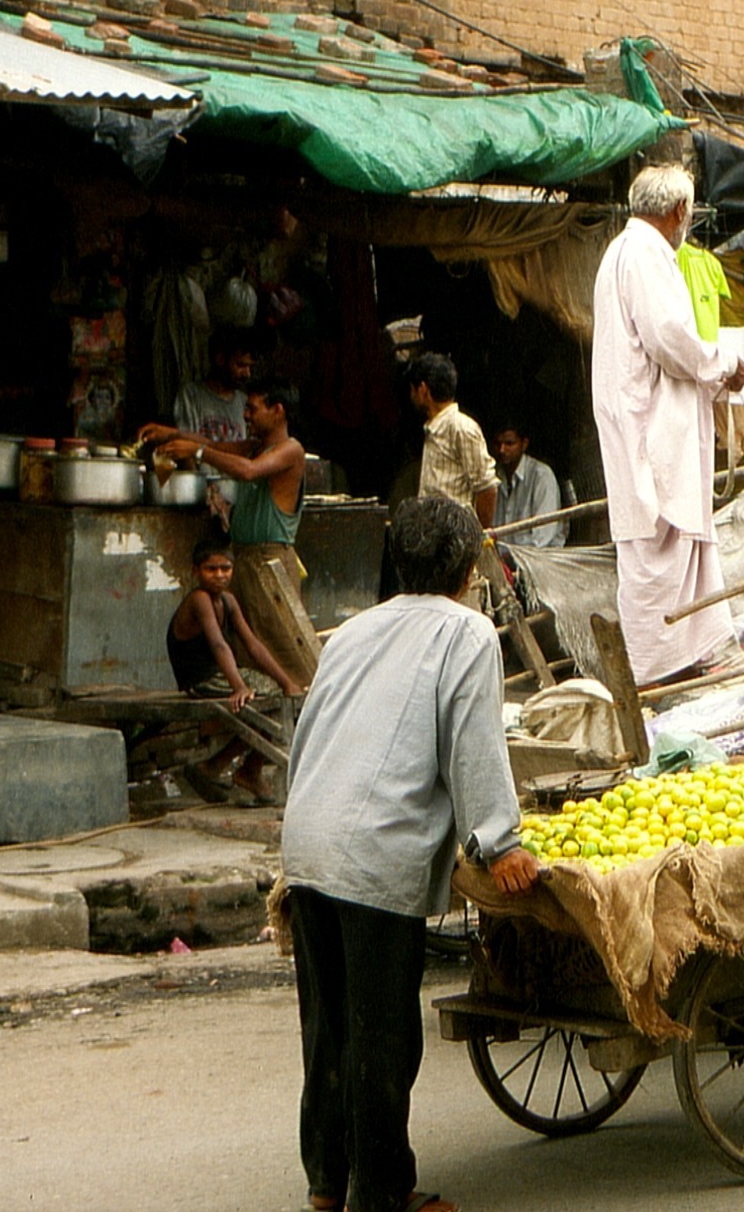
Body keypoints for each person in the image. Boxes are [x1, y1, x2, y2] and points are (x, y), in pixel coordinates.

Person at [280, 496, 539, 1212]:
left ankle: (327, 1183)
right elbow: (473, 744)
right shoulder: (468, 631)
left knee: (329, 1030)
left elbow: (312, 733)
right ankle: (383, 1193)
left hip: (310, 839)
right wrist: (499, 842)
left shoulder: (353, 630)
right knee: (382, 1035)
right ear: (467, 568)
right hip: (376, 849)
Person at [592, 163, 744, 684]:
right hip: (651, 429)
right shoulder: (644, 255)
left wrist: (728, 369)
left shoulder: (626, 252)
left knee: (673, 549)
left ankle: (689, 659)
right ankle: (655, 673)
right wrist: (727, 364)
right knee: (657, 548)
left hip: (652, 422)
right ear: (679, 211)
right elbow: (671, 339)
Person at [141, 380, 316, 716]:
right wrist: (172, 435)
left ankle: (295, 724)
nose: (246, 415)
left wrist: (196, 453)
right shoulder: (254, 446)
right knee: (247, 653)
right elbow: (214, 445)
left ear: (277, 410)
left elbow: (247, 472)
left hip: (270, 563)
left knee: (284, 653)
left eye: (252, 408)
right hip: (246, 559)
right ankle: (248, 738)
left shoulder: (290, 450)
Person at [166, 539, 303, 806]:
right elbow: (219, 645)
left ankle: (225, 766)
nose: (219, 575)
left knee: (280, 696)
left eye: (225, 569)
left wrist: (287, 682)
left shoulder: (228, 600)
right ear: (196, 571)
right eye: (211, 569)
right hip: (201, 680)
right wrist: (239, 686)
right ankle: (242, 769)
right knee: (269, 699)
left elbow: (253, 644)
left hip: (220, 676)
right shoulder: (199, 600)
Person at [405, 353, 497, 530]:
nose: (411, 396)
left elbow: (487, 488)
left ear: (423, 389)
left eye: (412, 390)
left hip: (453, 536)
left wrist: (479, 535)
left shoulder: (461, 428)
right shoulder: (433, 429)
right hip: (431, 534)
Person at [490, 420, 565, 549]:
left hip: (538, 556)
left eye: (509, 444)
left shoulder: (541, 476)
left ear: (524, 444)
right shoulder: (494, 476)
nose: (502, 450)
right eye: (498, 444)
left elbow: (542, 535)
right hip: (503, 557)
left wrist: (510, 556)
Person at [174, 331, 255, 445]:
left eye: (250, 367)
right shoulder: (191, 395)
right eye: (241, 365)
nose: (247, 374)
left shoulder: (244, 402)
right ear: (220, 359)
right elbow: (185, 444)